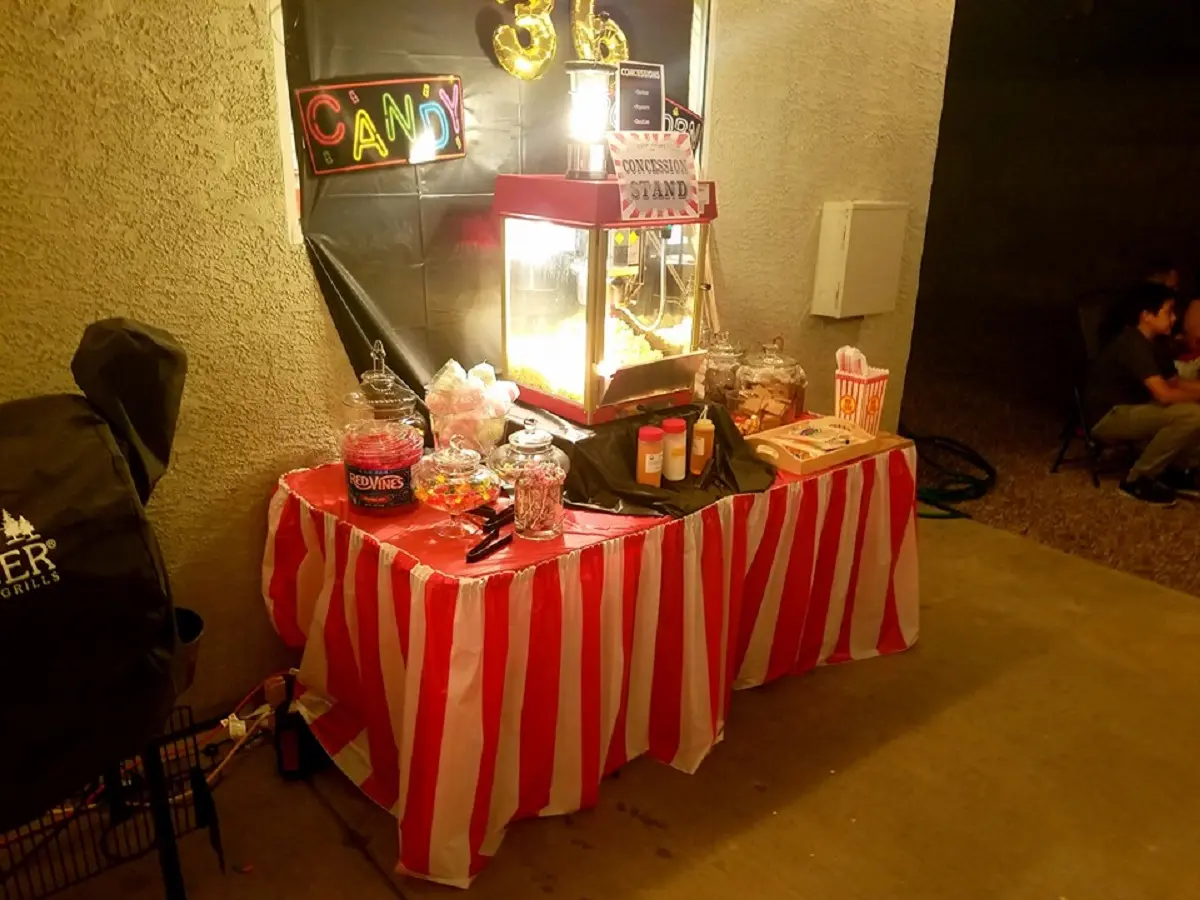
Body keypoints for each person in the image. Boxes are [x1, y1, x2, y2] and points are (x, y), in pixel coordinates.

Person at [1084, 282, 1200, 505]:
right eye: (1168, 312)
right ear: (1146, 315)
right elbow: (1164, 395)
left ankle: (1177, 470)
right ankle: (1137, 479)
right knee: (1192, 415)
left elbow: (1175, 383)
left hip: (1135, 408)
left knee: (1192, 410)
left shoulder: (1156, 344)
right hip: (1109, 415)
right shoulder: (1133, 343)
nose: (1174, 318)